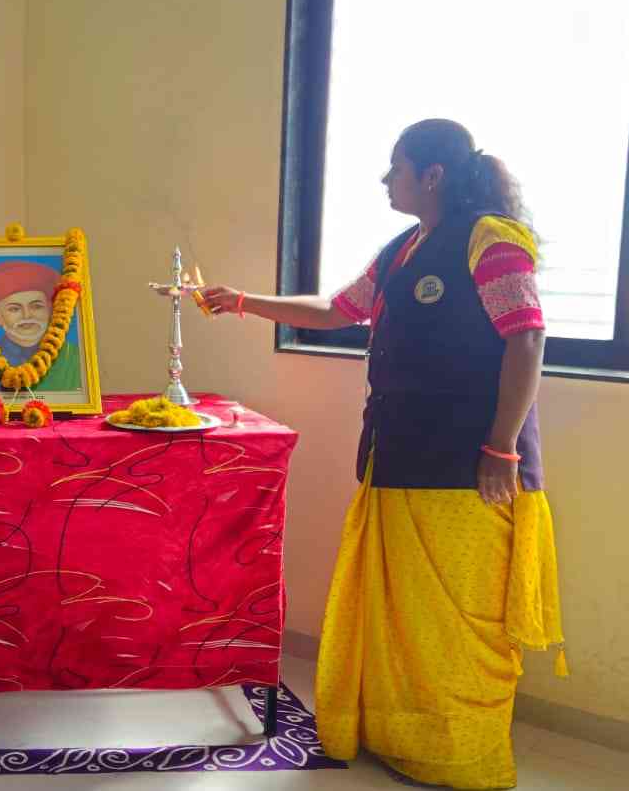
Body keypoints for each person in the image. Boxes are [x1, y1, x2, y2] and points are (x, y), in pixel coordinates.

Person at [203, 118, 565, 789]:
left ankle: (458, 757)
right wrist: (243, 303)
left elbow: (527, 340)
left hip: (469, 468)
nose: (384, 180)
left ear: (433, 175)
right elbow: (336, 309)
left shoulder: (490, 239)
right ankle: (399, 739)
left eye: (395, 168)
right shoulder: (403, 249)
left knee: (457, 622)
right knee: (403, 617)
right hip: (398, 457)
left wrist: (502, 447)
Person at [0, 260, 82, 392]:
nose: (27, 316)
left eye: (36, 306)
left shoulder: (77, 360)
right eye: (14, 309)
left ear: (50, 310)